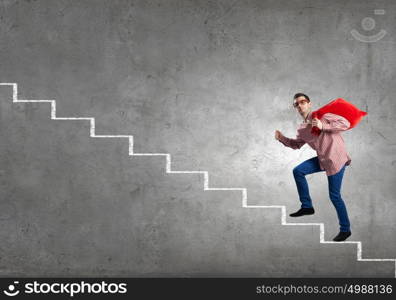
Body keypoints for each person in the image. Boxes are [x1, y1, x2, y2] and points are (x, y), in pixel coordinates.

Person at [275, 93, 352, 242]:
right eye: (296, 104)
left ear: (309, 103)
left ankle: (345, 229)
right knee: (298, 171)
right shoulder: (302, 128)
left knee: (335, 196)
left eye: (303, 102)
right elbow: (296, 144)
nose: (300, 105)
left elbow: (345, 124)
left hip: (336, 160)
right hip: (323, 160)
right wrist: (281, 138)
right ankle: (307, 206)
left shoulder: (324, 116)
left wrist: (324, 126)